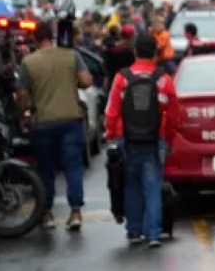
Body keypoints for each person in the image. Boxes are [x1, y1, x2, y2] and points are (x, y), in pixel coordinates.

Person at [15, 21, 94, 230]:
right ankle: (76, 212)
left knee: (46, 169)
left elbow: (21, 94)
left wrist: (23, 114)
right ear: (52, 37)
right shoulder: (71, 56)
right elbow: (86, 81)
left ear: (34, 40)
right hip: (70, 119)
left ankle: (47, 214)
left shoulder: (28, 62)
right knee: (73, 167)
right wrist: (71, 81)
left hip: (43, 122)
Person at [103, 33, 178, 248]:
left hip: (128, 140)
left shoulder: (122, 78)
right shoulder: (164, 80)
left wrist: (111, 135)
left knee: (131, 185)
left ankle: (134, 230)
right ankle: (153, 234)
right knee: (152, 187)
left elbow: (111, 112)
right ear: (155, 53)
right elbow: (174, 116)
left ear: (135, 52)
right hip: (156, 141)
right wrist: (169, 140)